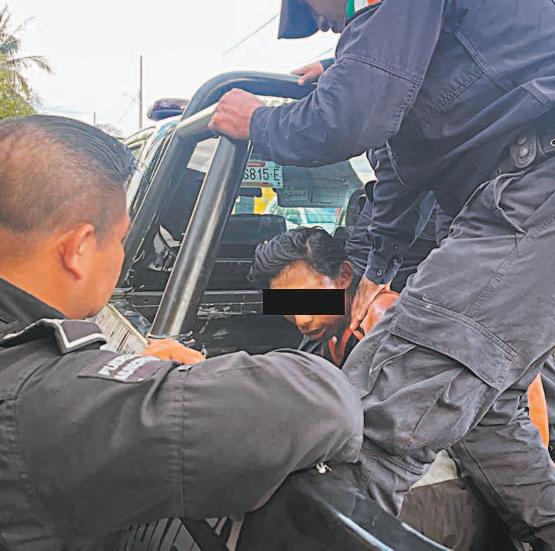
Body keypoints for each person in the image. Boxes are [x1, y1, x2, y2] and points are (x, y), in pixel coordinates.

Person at [210, 0, 555, 547]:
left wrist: (260, 122)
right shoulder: (326, 309)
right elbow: (395, 166)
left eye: (312, 10)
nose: (323, 23)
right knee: (489, 424)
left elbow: (349, 118)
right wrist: (380, 269)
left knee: (364, 429)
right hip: (532, 190)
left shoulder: (354, 300)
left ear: (340, 276)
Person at [0, 115, 363, 550]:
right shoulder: (42, 400)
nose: (300, 319)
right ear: (78, 250)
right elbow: (324, 402)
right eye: (120, 240)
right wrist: (201, 377)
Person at [249, 226, 555, 547]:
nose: (301, 319)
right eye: (287, 310)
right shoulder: (328, 338)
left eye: (306, 299)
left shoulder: (385, 321)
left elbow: (512, 410)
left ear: (344, 275)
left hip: (462, 471)